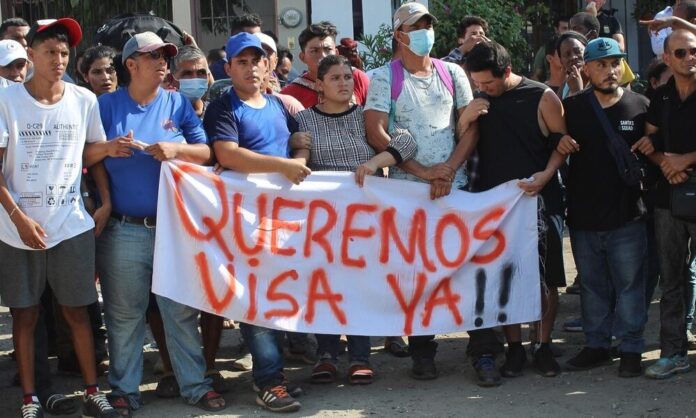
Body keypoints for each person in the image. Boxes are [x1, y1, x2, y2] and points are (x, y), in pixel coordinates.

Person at [88, 31, 225, 416]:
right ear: (130, 65)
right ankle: (125, 391)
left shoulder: (178, 102)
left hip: (173, 229)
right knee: (124, 313)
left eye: (166, 56)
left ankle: (195, 386)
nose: (163, 62)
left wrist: (177, 149)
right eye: (153, 57)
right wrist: (108, 148)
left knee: (179, 311)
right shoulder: (105, 106)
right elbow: (85, 153)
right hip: (123, 228)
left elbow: (205, 152)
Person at [364, 2, 502, 386]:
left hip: (456, 189)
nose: (426, 32)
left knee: (469, 271)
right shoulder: (383, 77)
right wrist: (423, 172)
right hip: (408, 194)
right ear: (400, 34)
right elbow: (377, 132)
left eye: (429, 25)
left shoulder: (453, 71)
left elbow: (469, 125)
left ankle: (482, 352)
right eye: (417, 26)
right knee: (417, 274)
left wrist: (449, 170)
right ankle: (423, 351)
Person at [0, 17, 122, 418]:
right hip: (17, 230)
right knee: (26, 313)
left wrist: (103, 199)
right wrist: (18, 218)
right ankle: (30, 399)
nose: (58, 59)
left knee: (78, 310)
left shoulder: (83, 100)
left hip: (70, 224)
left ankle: (92, 391)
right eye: (50, 51)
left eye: (64, 53)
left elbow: (92, 153)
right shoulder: (6, 101)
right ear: (30, 54)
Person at [293, 54, 416, 385]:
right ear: (319, 85)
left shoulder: (367, 117)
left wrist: (377, 162)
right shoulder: (304, 121)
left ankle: (361, 356)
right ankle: (327, 354)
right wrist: (297, 151)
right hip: (325, 224)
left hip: (367, 222)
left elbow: (407, 141)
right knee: (326, 286)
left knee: (362, 286)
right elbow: (299, 165)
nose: (344, 83)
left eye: (348, 76)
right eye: (334, 78)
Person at [204, 32, 309, 413]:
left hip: (283, 221)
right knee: (256, 302)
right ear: (228, 67)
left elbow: (301, 139)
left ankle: (275, 376)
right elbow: (227, 155)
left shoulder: (280, 106)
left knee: (280, 298)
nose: (251, 68)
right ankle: (268, 381)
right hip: (243, 224)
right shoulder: (222, 108)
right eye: (242, 62)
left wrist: (299, 154)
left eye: (257, 60)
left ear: (268, 64)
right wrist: (284, 165)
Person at [465, 41, 569, 378]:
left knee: (545, 278)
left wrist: (547, 174)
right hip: (495, 206)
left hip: (540, 200)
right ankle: (514, 349)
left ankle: (542, 345)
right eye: (477, 83)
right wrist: (465, 116)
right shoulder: (479, 101)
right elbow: (463, 142)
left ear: (507, 71)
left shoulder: (542, 97)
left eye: (488, 83)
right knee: (504, 278)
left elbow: (561, 143)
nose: (483, 89)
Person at [561, 38, 651, 377]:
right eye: (601, 64)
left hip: (628, 216)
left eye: (615, 63)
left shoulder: (641, 106)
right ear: (587, 68)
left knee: (630, 286)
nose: (609, 70)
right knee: (593, 287)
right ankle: (596, 345)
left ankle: (630, 349)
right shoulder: (572, 108)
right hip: (584, 218)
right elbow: (552, 144)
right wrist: (560, 141)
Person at [642, 29, 696, 379]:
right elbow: (647, 143)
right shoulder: (659, 98)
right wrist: (665, 162)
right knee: (672, 278)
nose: (689, 57)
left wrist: (686, 160)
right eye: (681, 53)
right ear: (666, 58)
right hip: (669, 198)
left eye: (694, 51)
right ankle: (673, 352)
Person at [281, 21, 370, 108]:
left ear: (336, 53)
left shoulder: (357, 78)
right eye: (314, 51)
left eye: (328, 49)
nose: (323, 56)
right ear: (303, 57)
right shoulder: (291, 94)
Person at [532, 16, 570, 82]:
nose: (568, 31)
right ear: (556, 29)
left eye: (570, 28)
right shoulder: (545, 49)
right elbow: (536, 75)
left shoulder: (576, 48)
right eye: (564, 28)